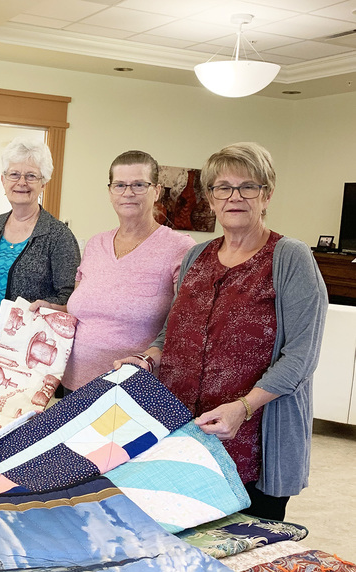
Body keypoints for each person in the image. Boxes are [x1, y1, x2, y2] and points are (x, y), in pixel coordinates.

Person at [115, 142, 327, 521]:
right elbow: (173, 333)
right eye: (223, 188)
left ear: (266, 195)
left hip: (251, 443)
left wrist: (243, 408)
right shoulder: (197, 256)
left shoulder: (290, 257)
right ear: (211, 198)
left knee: (247, 544)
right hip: (183, 434)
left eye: (248, 187)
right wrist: (146, 359)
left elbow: (301, 356)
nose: (235, 197)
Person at [56, 150, 195, 391]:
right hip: (75, 385)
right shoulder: (95, 244)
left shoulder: (180, 248)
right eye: (120, 185)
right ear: (110, 192)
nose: (128, 193)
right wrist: (49, 309)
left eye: (139, 185)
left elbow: (186, 324)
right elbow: (81, 308)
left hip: (134, 390)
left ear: (157, 191)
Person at [0, 137, 80, 319]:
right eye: (14, 174)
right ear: (3, 180)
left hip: (25, 331)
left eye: (31, 176)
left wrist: (47, 306)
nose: (21, 182)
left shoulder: (59, 236)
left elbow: (70, 296)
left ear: (43, 183)